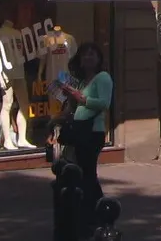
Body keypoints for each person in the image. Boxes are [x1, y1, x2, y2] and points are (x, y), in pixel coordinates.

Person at [61, 43, 113, 228]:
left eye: (92, 55)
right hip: (79, 130)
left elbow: (104, 103)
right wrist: (69, 99)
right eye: (84, 56)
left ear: (98, 58)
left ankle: (99, 213)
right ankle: (89, 213)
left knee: (88, 173)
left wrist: (81, 98)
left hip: (93, 131)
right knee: (83, 174)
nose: (88, 58)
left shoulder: (103, 78)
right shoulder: (82, 81)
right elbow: (76, 107)